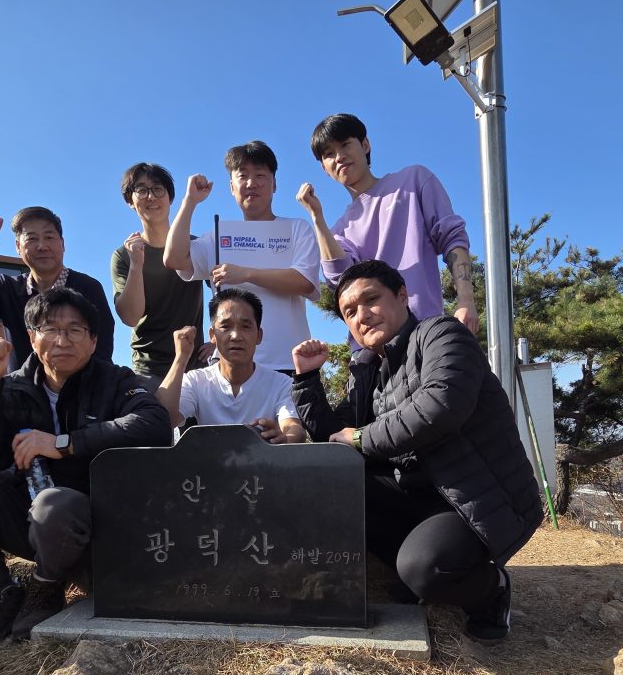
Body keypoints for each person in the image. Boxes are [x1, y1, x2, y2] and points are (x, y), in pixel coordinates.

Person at [291, 260, 541, 641]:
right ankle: (411, 569)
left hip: (473, 498)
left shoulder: (442, 334)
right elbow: (333, 437)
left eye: (371, 299)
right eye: (349, 312)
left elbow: (441, 406)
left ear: (403, 296)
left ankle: (490, 590)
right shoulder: (369, 371)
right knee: (332, 483)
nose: (362, 315)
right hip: (418, 493)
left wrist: (358, 438)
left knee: (426, 570)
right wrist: (307, 379)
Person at [0, 287, 172, 656]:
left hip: (96, 528)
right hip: (28, 520)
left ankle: (45, 587)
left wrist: (63, 443)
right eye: (50, 329)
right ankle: (0, 593)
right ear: (31, 337)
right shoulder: (6, 388)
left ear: (93, 341)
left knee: (56, 503)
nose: (63, 339)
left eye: (75, 330)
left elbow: (154, 424)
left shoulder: (117, 381)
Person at [297, 113, 479, 338]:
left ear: (365, 145)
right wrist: (317, 218)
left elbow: (452, 238)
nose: (339, 157)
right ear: (324, 168)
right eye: (329, 154)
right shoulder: (338, 231)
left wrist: (466, 301)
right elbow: (341, 280)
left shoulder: (413, 180)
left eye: (345, 145)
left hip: (423, 331)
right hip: (371, 349)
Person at [164, 140, 319, 373]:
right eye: (242, 176)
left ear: (274, 183)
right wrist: (189, 202)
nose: (251, 183)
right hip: (230, 366)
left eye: (260, 175)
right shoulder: (219, 234)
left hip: (290, 362)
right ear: (231, 186)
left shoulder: (297, 228)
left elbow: (305, 282)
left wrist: (245, 274)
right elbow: (174, 259)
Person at [0, 205, 116, 368]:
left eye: (49, 237)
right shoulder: (8, 289)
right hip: (22, 395)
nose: (42, 246)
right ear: (18, 247)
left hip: (81, 394)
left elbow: (102, 351)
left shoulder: (88, 288)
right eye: (32, 239)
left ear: (62, 244)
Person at [157, 288, 304, 444]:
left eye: (246, 326)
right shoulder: (195, 381)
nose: (236, 336)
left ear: (259, 336)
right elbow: (163, 420)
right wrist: (181, 358)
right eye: (225, 327)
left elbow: (293, 427)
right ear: (212, 336)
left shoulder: (281, 383)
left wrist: (285, 439)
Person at [110, 162, 208, 388]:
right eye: (141, 190)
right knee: (153, 423)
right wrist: (136, 264)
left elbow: (226, 291)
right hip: (149, 370)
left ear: (170, 198)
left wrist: (216, 341)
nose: (150, 197)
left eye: (157, 189)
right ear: (130, 201)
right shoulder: (123, 255)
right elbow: (130, 317)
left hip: (195, 369)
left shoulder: (195, 245)